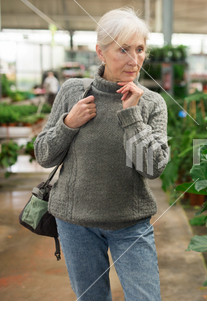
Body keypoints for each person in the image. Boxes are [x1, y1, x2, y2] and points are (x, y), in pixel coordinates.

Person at [34, 8, 169, 301]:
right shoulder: (73, 92)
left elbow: (153, 168)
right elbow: (44, 155)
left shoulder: (152, 103)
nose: (134, 60)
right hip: (75, 224)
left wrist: (132, 116)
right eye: (123, 49)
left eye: (140, 49)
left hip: (131, 225)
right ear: (100, 52)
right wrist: (69, 123)